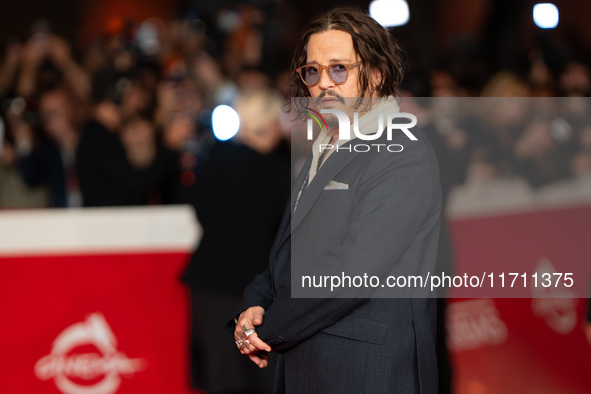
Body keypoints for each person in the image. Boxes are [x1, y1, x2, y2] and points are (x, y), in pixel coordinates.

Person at [226, 7, 441, 394]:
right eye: (313, 71)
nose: (323, 83)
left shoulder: (401, 150)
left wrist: (266, 328)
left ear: (375, 73)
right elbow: (290, 254)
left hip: (367, 373)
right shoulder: (328, 144)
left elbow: (352, 271)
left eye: (339, 69)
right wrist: (253, 302)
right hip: (315, 362)